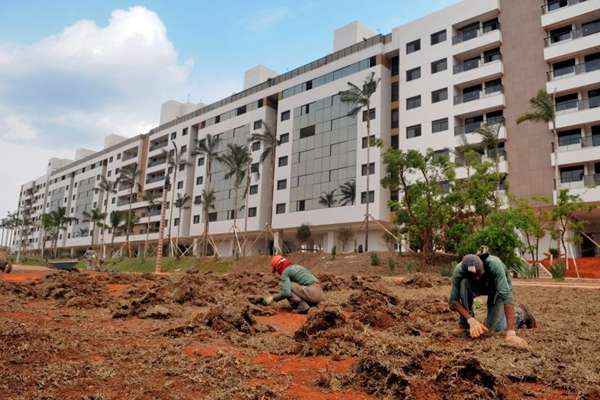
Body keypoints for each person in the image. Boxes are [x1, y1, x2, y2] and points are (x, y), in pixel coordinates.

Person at [449, 253, 536, 348]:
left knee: (496, 329)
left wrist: (511, 332)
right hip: (472, 288)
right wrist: (470, 319)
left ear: (483, 265)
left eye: (479, 274)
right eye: (473, 276)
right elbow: (453, 301)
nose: (477, 278)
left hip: (495, 289)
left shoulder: (494, 265)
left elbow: (506, 297)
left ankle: (521, 314)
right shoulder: (459, 271)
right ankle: (464, 324)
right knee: (463, 283)